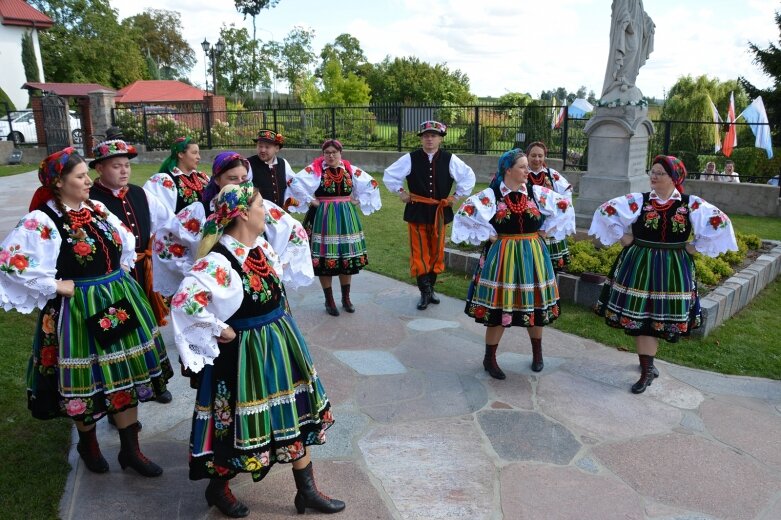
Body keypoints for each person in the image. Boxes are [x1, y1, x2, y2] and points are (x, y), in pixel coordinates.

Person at [170, 182, 344, 518]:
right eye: (262, 205)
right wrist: (219, 329)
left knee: (292, 413)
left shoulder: (261, 248)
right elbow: (184, 302)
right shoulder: (218, 261)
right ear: (243, 214)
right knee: (231, 422)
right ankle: (218, 488)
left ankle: (306, 490)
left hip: (279, 344)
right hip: (243, 355)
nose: (267, 211)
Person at [1, 148, 173, 477]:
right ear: (58, 182)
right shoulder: (43, 220)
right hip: (76, 309)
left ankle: (130, 450)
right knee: (85, 379)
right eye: (80, 176)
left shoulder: (95, 208)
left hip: (115, 301)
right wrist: (54, 285)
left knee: (124, 375)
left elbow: (123, 245)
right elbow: (10, 261)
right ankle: (88, 444)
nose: (87, 182)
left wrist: (120, 279)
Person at [589, 155, 737, 393]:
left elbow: (721, 223)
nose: (653, 176)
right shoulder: (639, 200)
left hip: (672, 267)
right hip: (639, 263)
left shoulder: (690, 203)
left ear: (674, 178)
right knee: (641, 319)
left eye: (660, 173)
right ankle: (647, 370)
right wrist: (622, 236)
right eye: (653, 172)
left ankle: (648, 365)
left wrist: (694, 245)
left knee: (657, 318)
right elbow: (605, 211)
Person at [452, 149, 575, 378]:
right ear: (508, 170)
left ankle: (537, 353)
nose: (528, 171)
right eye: (522, 167)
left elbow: (565, 206)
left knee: (535, 306)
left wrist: (546, 229)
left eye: (528, 166)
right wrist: (486, 232)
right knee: (499, 308)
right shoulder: (492, 195)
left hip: (533, 254)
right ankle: (490, 359)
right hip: (503, 256)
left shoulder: (537, 193)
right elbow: (463, 215)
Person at [152, 151, 313, 298]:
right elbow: (164, 242)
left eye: (244, 179)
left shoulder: (261, 206)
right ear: (217, 179)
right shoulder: (199, 213)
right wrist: (195, 270)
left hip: (263, 290)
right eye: (232, 179)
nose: (239, 185)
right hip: (220, 296)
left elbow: (295, 231)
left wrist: (278, 264)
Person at [89, 138, 176, 405]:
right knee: (118, 334)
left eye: (126, 165)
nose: (124, 171)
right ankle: (120, 397)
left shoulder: (140, 194)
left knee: (147, 327)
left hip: (143, 272)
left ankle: (155, 381)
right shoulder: (91, 201)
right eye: (116, 166)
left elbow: (168, 223)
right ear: (100, 169)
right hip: (112, 278)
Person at [384, 120, 476, 310]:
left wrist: (456, 196)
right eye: (426, 136)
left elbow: (468, 177)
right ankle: (424, 292)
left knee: (436, 252)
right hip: (417, 210)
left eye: (433, 136)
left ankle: (431, 288)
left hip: (440, 212)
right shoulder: (411, 158)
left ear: (440, 139)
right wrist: (401, 192)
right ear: (421, 139)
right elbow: (390, 175)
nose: (429, 139)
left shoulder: (450, 159)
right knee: (419, 252)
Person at [287, 139, 381, 316]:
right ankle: (329, 300)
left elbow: (372, 183)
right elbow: (293, 181)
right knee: (325, 260)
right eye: (327, 152)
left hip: (346, 217)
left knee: (346, 258)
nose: (330, 155)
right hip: (323, 217)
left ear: (340, 153)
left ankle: (346, 298)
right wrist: (311, 200)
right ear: (323, 154)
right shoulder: (314, 170)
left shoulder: (350, 170)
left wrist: (356, 200)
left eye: (334, 152)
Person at [526, 141, 573, 270]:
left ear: (544, 157)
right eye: (533, 155)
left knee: (550, 268)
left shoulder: (552, 175)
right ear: (527, 156)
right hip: (528, 223)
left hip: (549, 224)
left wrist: (558, 205)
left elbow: (567, 192)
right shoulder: (522, 174)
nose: (537, 159)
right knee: (531, 266)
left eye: (540, 156)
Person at [600, 0, 655, 104]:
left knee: (636, 52)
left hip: (637, 28)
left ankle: (628, 79)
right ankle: (620, 77)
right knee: (631, 49)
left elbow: (641, 12)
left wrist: (648, 21)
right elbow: (620, 5)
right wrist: (624, 17)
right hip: (628, 27)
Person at [143, 137, 210, 213]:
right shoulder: (166, 180)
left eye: (198, 153)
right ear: (181, 154)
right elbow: (164, 216)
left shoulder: (202, 177)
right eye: (194, 153)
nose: (199, 157)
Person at [247, 129, 296, 208]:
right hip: (259, 214)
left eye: (267, 147)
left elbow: (294, 184)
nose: (262, 150)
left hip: (280, 214)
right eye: (260, 146)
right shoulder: (249, 164)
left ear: (276, 148)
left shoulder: (283, 163)